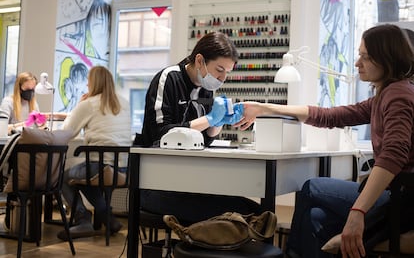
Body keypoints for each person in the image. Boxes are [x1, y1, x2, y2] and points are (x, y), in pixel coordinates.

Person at [233, 24, 414, 257]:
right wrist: (264, 107)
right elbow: (329, 116)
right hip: (397, 196)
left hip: (402, 201)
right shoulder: (385, 94)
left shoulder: (397, 94)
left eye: (366, 57)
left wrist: (357, 212)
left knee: (311, 187)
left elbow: (393, 155)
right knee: (316, 218)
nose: (358, 63)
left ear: (387, 59)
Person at [136, 31, 262, 224]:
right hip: (154, 184)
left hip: (188, 181)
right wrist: (211, 119)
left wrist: (220, 122)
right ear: (200, 60)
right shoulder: (169, 78)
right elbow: (160, 135)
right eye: (219, 69)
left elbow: (206, 139)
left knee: (254, 210)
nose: (222, 78)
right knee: (241, 215)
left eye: (227, 72)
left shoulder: (206, 88)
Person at [56, 66, 131, 240]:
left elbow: (67, 131)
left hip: (100, 168)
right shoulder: (124, 103)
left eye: (88, 81)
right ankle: (108, 218)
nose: (87, 85)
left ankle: (83, 221)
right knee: (83, 177)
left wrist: (79, 105)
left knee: (62, 177)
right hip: (124, 170)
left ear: (93, 83)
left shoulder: (89, 103)